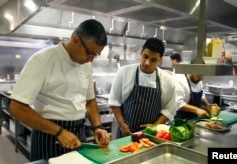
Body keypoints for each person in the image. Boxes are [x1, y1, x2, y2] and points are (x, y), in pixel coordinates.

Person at [9, 19, 110, 161]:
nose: (91, 60)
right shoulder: (42, 60)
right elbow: (16, 107)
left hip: (78, 134)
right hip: (49, 137)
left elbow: (90, 100)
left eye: (95, 56)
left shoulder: (85, 64)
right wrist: (59, 132)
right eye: (90, 53)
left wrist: (97, 127)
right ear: (76, 40)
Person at [108, 38, 177, 138]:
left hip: (151, 135)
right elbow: (114, 102)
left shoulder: (167, 80)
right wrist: (122, 125)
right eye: (145, 57)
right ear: (141, 53)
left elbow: (169, 109)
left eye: (153, 60)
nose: (147, 63)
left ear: (160, 60)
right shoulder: (124, 72)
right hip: (125, 133)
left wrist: (155, 126)